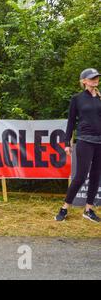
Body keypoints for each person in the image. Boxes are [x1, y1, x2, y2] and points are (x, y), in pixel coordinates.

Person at [55, 68, 101, 222]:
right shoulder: (77, 98)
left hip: (100, 142)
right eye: (92, 78)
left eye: (96, 77)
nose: (95, 80)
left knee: (96, 176)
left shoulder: (100, 98)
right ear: (84, 81)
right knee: (80, 177)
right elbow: (70, 122)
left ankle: (88, 210)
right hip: (84, 141)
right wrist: (66, 142)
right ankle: (64, 208)